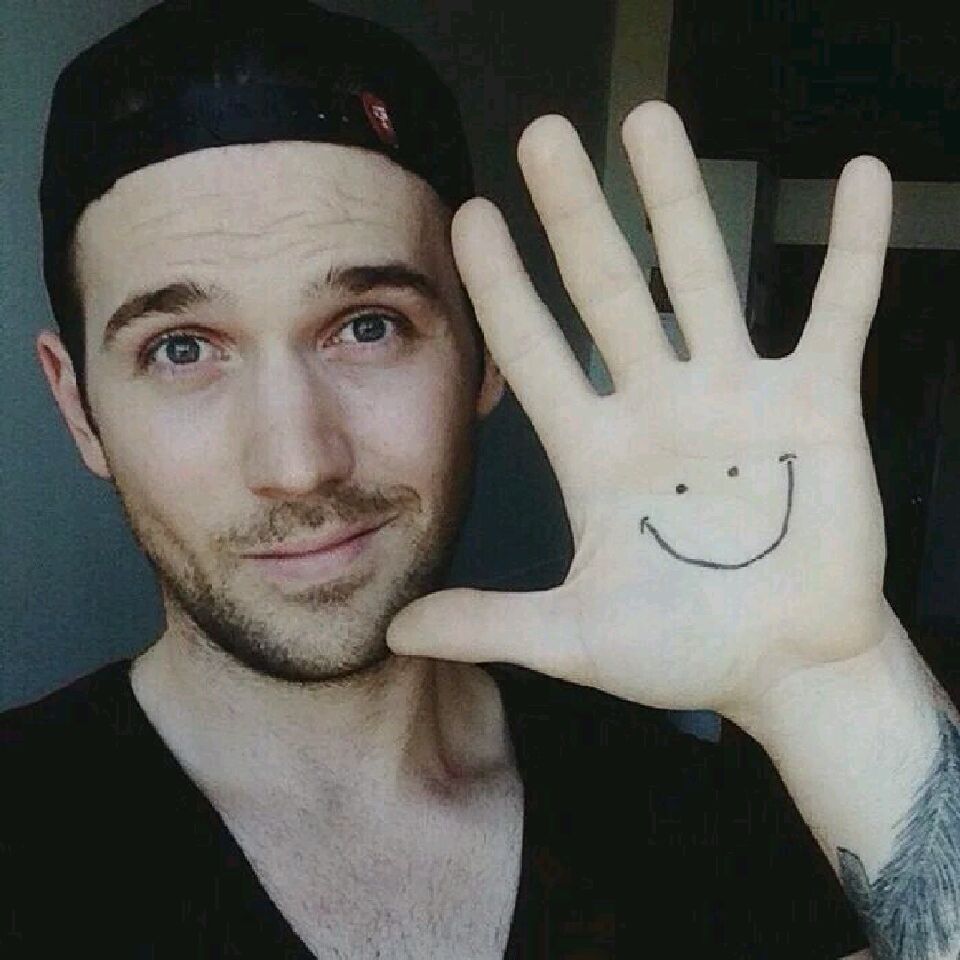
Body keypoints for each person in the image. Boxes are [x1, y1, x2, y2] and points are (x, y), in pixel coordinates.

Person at [2, 1, 956, 957]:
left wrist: (831, 684)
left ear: (483, 353)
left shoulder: (699, 828)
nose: (298, 465)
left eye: (367, 327)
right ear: (79, 408)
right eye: (180, 349)